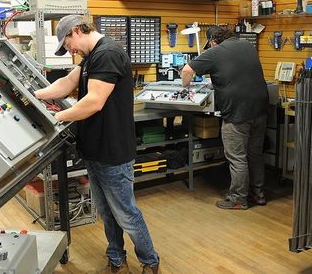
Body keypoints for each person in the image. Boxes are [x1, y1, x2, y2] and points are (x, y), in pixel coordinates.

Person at [35, 15, 160, 274]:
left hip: (112, 151)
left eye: (67, 43)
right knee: (106, 212)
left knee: (125, 213)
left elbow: (94, 102)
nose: (69, 50)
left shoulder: (108, 54)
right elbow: (66, 83)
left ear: (76, 31)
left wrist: (55, 117)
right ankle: (116, 258)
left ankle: (150, 260)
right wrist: (32, 95)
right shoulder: (91, 58)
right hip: (95, 150)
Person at [181, 26, 269, 210]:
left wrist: (186, 88)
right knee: (255, 154)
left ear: (213, 41)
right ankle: (258, 193)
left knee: (237, 157)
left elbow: (187, 70)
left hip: (237, 113)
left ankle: (238, 199)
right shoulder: (246, 45)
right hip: (260, 109)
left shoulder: (215, 51)